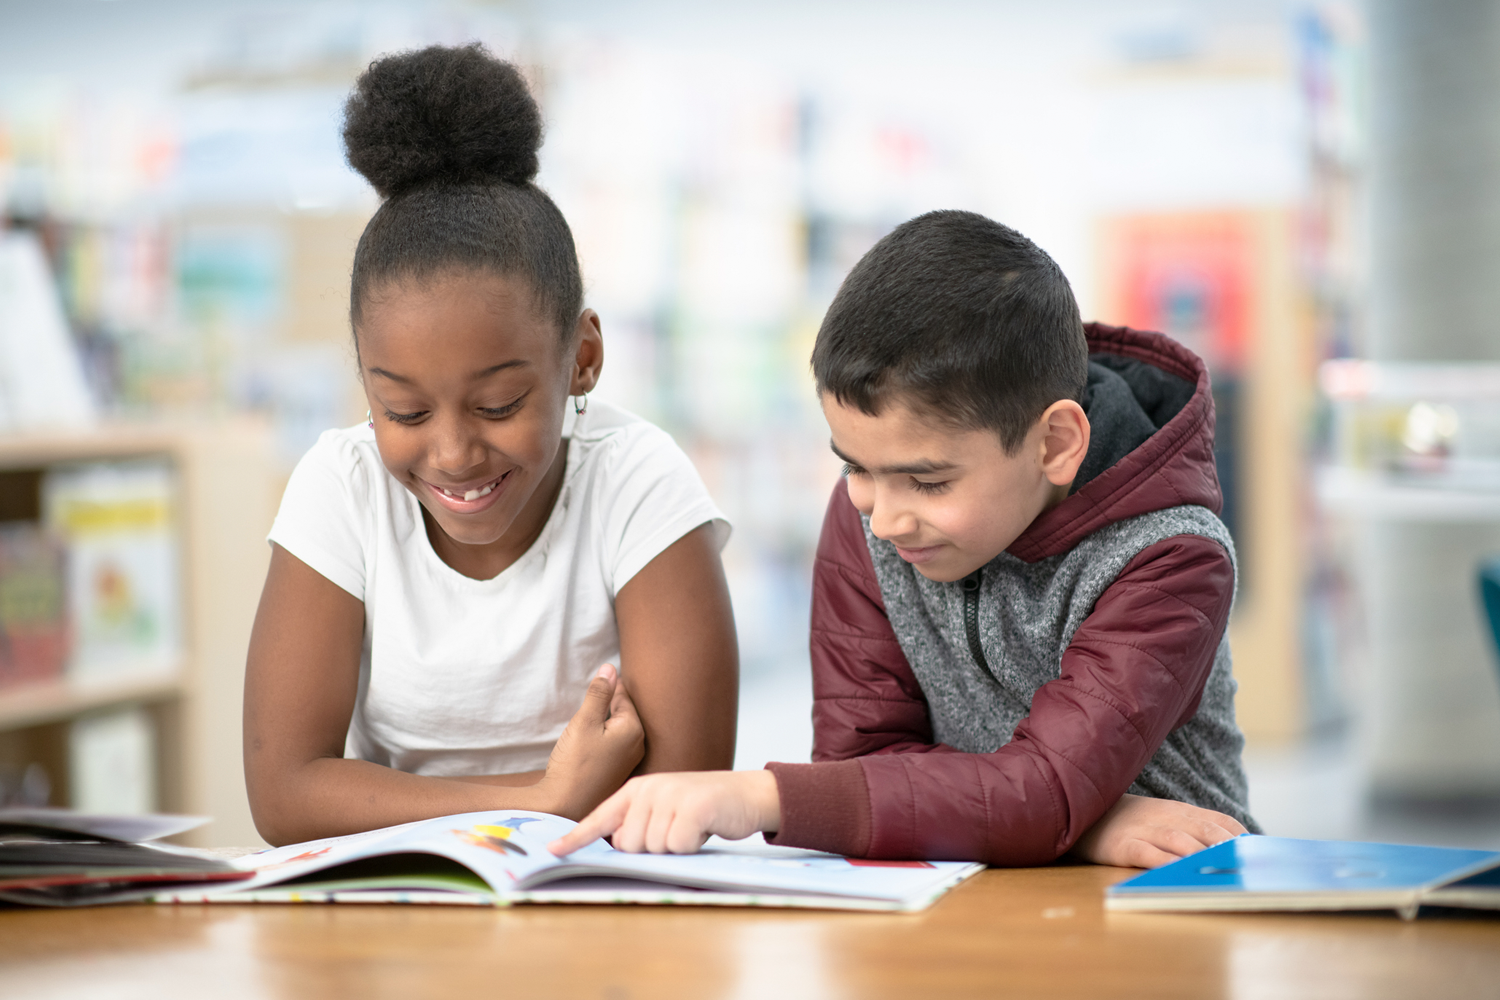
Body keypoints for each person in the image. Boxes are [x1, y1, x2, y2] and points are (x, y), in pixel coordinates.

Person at [551, 210, 1258, 869]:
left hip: (1171, 894)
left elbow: (1042, 789)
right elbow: (864, 760)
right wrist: (1085, 819)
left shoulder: (1171, 558)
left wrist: (760, 797)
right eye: (855, 465)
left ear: (1055, 443)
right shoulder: (867, 516)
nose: (883, 519)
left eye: (927, 482)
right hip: (967, 893)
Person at [244, 44, 738, 847]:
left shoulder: (640, 481)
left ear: (581, 359)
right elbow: (285, 793)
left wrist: (536, 805)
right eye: (401, 410)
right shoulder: (341, 485)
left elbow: (683, 788)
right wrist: (544, 798)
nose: (453, 452)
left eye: (499, 403)